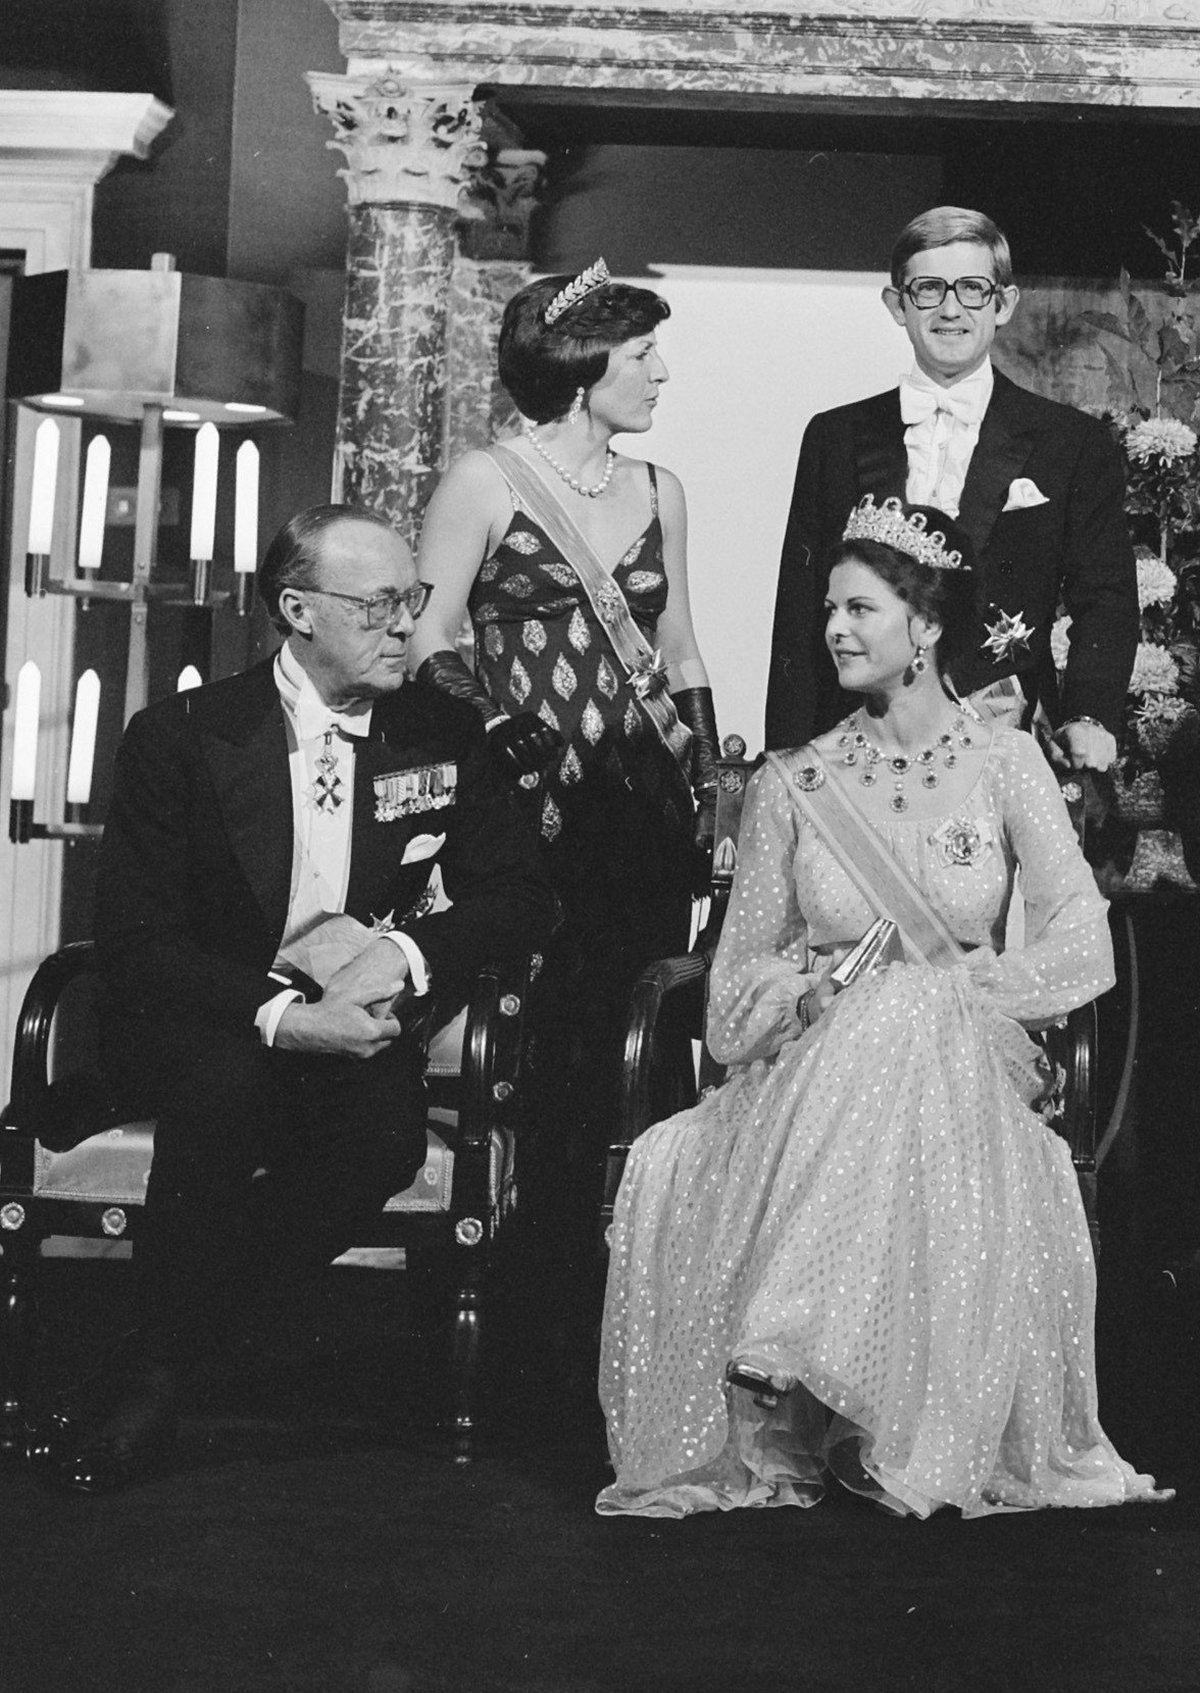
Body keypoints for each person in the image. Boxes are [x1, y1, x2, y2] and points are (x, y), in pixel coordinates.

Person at [598, 496, 1170, 1519]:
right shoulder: (792, 783)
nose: (834, 629)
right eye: (830, 609)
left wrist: (969, 989)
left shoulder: (1007, 763)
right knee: (884, 1008)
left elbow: (1083, 936)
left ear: (928, 624)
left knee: (911, 1004)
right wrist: (806, 992)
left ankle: (795, 1334)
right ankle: (812, 1352)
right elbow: (730, 993)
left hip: (966, 1071)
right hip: (808, 1074)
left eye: (859, 608)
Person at [45, 504, 556, 1493]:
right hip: (211, 1017)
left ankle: (159, 1354)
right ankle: (154, 1381)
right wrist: (284, 1016)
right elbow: (138, 943)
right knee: (224, 1090)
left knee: (385, 1140)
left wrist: (405, 952)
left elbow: (521, 896)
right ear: (297, 609)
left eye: (413, 598)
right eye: (378, 604)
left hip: (355, 1027)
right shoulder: (182, 736)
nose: (407, 624)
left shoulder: (441, 732)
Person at [410, 260, 717, 1341]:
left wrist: (709, 779)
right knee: (543, 1047)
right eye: (641, 354)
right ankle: (534, 1307)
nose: (660, 373)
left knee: (641, 1040)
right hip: (528, 808)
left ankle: (636, 1305)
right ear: (583, 367)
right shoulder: (485, 480)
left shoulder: (661, 489)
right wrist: (493, 726)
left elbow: (679, 641)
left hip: (640, 811)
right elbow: (429, 632)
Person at [765, 206, 1138, 769]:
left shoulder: (1071, 442)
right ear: (897, 305)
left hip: (1005, 741)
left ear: (1003, 304)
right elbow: (799, 608)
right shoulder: (834, 436)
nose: (950, 309)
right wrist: (788, 756)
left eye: (971, 288)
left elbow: (1106, 598)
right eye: (928, 289)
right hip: (855, 741)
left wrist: (1088, 715)